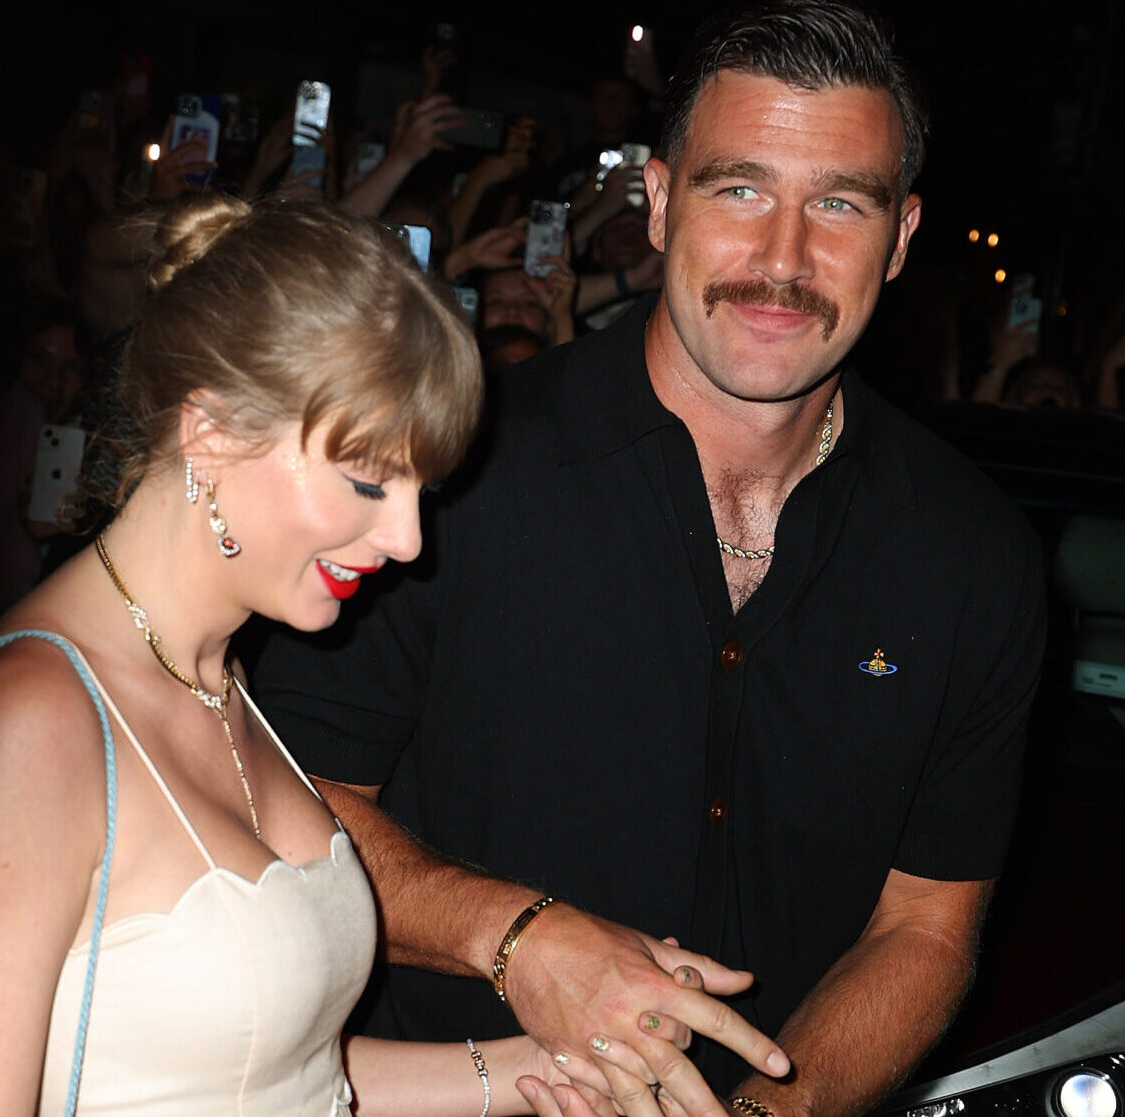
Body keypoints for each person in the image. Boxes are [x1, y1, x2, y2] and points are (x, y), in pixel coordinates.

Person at [248, 3, 1046, 1116]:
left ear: (901, 236)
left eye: (835, 204)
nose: (782, 258)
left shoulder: (972, 555)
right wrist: (515, 940)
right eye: (738, 190)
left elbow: (924, 927)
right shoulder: (451, 471)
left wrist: (765, 1109)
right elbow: (280, 796)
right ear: (661, 203)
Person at [0, 195, 747, 1115]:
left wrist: (569, 1061)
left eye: (424, 486)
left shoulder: (221, 680)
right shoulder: (30, 719)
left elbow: (293, 1079)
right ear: (211, 431)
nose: (411, 539)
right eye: (370, 480)